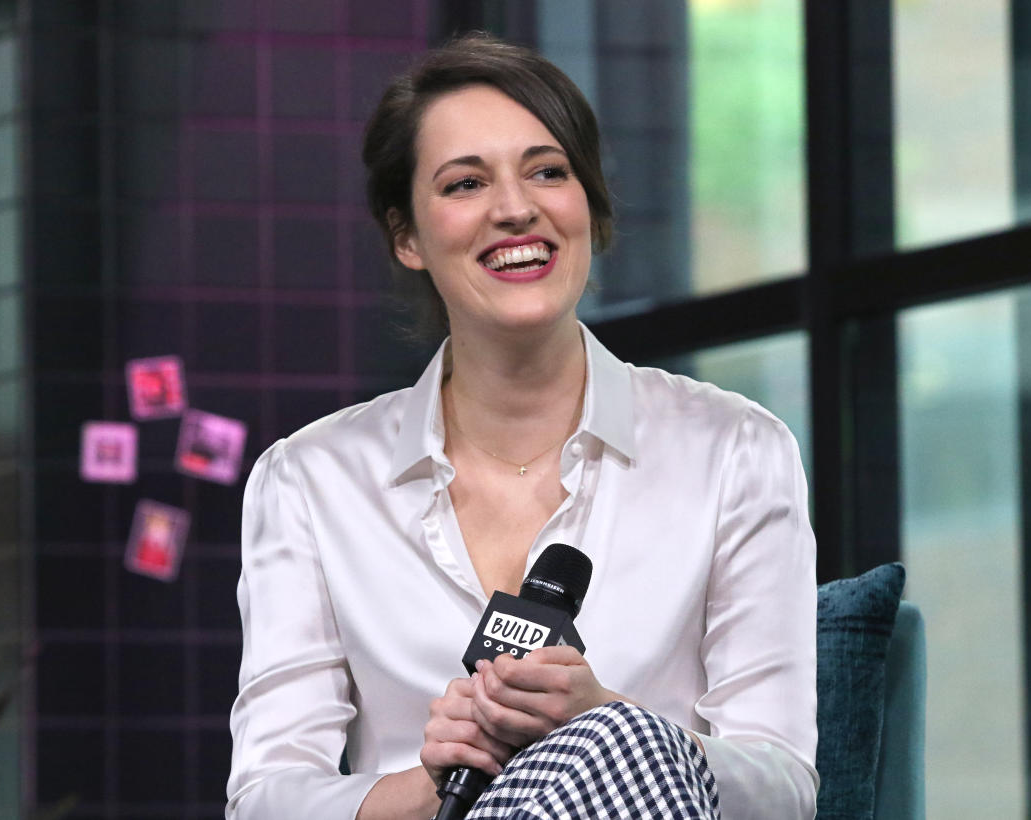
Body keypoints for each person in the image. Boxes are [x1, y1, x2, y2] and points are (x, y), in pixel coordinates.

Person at [226, 33, 817, 820]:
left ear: (588, 205)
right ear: (407, 236)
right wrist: (433, 782)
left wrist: (606, 722)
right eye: (466, 183)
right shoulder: (308, 480)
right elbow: (266, 799)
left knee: (618, 745)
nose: (514, 209)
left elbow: (782, 790)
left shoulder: (737, 451)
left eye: (547, 171)